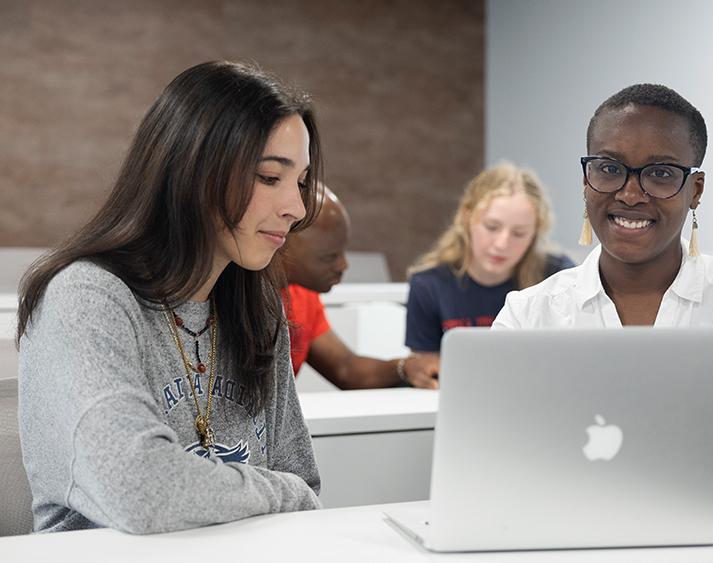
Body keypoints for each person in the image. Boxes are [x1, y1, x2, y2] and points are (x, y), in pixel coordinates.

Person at [16, 61, 324, 534]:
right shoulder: (86, 298)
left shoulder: (257, 312)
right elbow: (140, 490)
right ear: (194, 170)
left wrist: (290, 491)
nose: (296, 208)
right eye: (269, 178)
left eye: (300, 182)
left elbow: (302, 479)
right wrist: (282, 492)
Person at [493, 84, 713, 491]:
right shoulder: (527, 315)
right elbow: (499, 457)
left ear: (696, 190)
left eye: (660, 174)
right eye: (608, 168)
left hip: (707, 537)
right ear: (586, 181)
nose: (630, 193)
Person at [405, 162, 574, 384]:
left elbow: (574, 359)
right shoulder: (429, 284)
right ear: (467, 218)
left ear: (535, 234)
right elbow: (427, 371)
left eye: (519, 233)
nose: (502, 244)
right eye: (492, 227)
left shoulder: (557, 276)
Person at [271, 187, 440, 389]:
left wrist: (406, 367)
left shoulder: (303, 297)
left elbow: (345, 369)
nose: (343, 265)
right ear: (281, 246)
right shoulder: (237, 297)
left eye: (342, 252)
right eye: (329, 257)